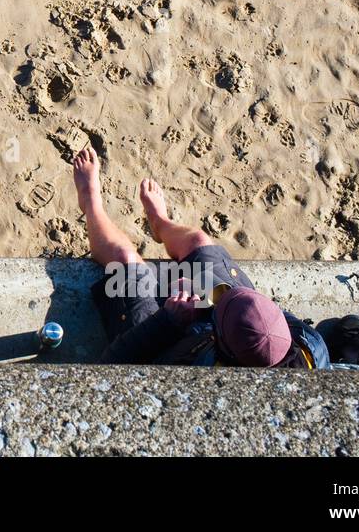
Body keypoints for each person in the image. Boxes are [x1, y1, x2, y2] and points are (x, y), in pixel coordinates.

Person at [71, 146, 327, 368]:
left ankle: (90, 203)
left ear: (222, 343)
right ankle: (160, 223)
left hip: (167, 352)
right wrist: (223, 301)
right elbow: (264, 324)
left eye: (221, 303)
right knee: (199, 242)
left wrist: (169, 320)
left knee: (126, 261)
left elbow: (112, 366)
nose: (219, 296)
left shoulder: (206, 377)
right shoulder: (310, 347)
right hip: (222, 335)